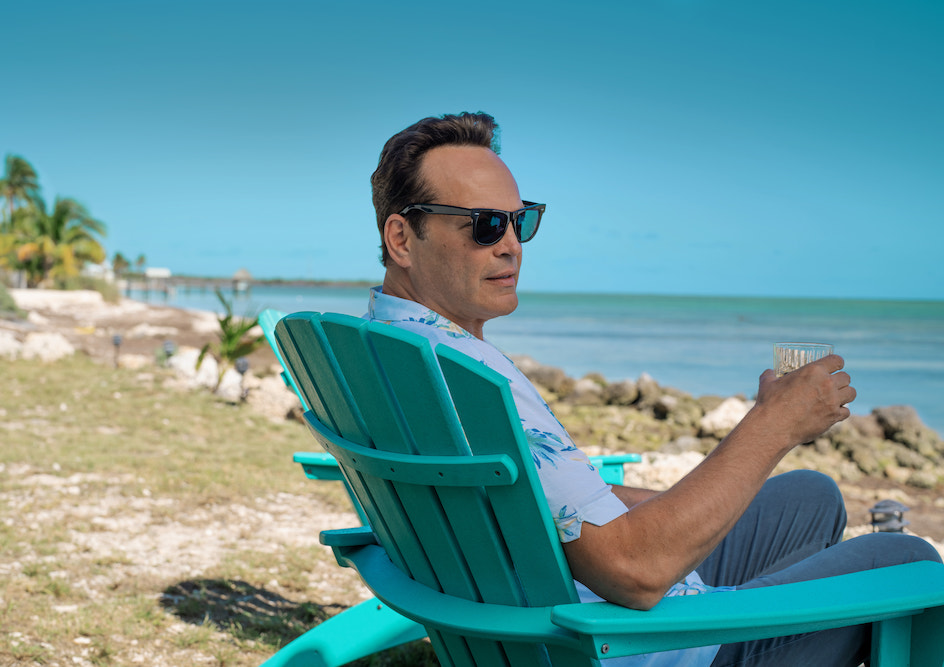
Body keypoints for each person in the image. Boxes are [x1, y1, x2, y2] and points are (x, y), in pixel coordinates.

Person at [364, 111, 941, 667]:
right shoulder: (465, 378)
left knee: (811, 496)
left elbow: (544, 510)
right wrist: (772, 426)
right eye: (485, 224)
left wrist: (689, 486)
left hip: (554, 610)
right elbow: (632, 572)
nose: (511, 245)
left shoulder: (390, 353)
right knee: (905, 561)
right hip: (625, 640)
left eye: (522, 221)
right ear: (402, 238)